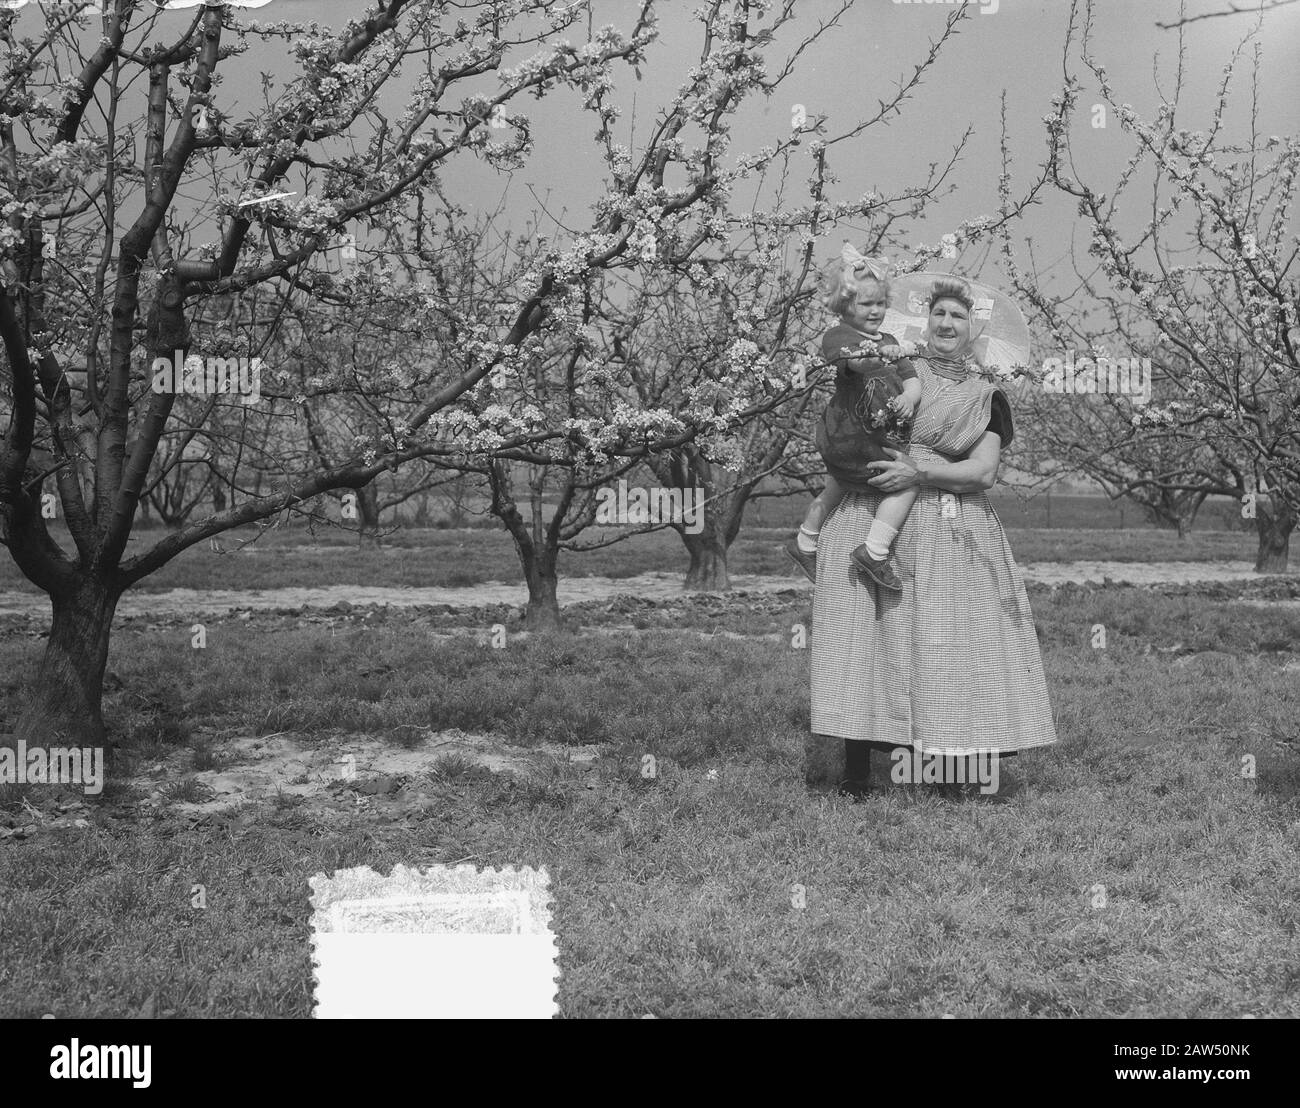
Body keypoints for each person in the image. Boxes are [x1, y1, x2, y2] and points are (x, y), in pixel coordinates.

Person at [807, 275, 1057, 796]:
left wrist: (920, 474)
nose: (946, 324)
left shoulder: (986, 395)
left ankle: (954, 772)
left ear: (974, 329)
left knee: (950, 646)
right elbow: (853, 417)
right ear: (927, 319)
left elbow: (983, 473)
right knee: (866, 639)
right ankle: (856, 775)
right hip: (874, 512)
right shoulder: (899, 367)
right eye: (939, 313)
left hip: (952, 525)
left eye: (958, 317)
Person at [786, 247, 922, 592]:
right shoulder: (840, 337)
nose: (875, 311)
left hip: (869, 437)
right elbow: (855, 364)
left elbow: (912, 378)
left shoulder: (891, 340)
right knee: (908, 483)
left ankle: (805, 542)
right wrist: (877, 354)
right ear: (846, 306)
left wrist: (908, 396)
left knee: (836, 485)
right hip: (853, 436)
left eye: (879, 303)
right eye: (866, 304)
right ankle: (875, 551)